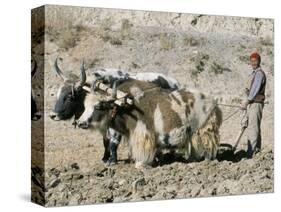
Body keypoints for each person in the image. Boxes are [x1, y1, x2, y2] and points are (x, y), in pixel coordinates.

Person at [241, 52, 266, 158]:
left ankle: (250, 154)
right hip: (253, 103)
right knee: (255, 127)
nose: (253, 63)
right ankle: (256, 151)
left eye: (255, 61)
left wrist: (247, 101)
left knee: (253, 128)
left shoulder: (259, 73)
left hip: (255, 103)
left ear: (259, 61)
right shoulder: (254, 73)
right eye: (251, 61)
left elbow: (255, 89)